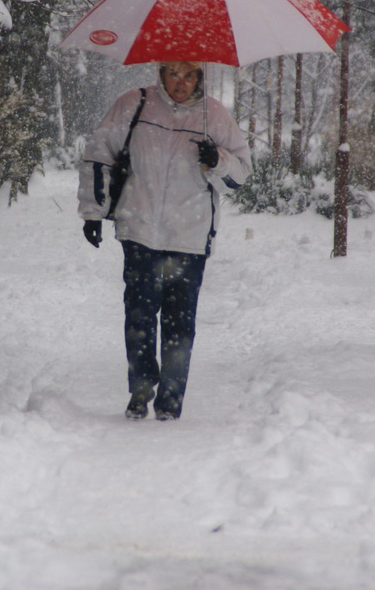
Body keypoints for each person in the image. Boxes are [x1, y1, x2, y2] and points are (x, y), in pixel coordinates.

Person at [78, 61, 251, 421]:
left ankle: (171, 401)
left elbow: (242, 175)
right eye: (174, 73)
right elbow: (99, 155)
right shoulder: (134, 104)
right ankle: (141, 387)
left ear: (199, 77)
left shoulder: (214, 116)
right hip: (139, 230)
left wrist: (217, 160)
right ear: (161, 72)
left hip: (189, 236)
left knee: (179, 323)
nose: (181, 83)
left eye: (189, 75)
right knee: (139, 316)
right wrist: (94, 212)